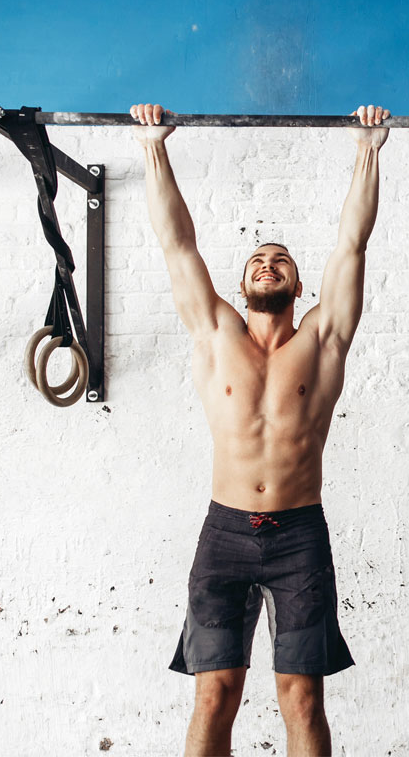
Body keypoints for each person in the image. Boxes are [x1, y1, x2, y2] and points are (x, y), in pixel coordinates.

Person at [130, 102, 390, 756]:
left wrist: (367, 151)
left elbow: (351, 244)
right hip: (224, 538)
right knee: (215, 694)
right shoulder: (215, 334)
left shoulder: (322, 339)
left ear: (301, 283)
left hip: (299, 538)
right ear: (241, 282)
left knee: (301, 698)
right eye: (256, 259)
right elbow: (176, 243)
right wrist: (154, 148)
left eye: (280, 259)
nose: (268, 264)